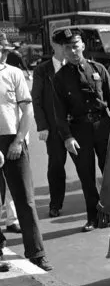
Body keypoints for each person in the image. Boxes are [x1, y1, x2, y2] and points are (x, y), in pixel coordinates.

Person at [52, 28, 110, 232]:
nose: (73, 51)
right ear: (63, 51)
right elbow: (59, 111)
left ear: (82, 46)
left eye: (75, 46)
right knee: (86, 175)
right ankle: (93, 217)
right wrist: (67, 137)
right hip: (79, 130)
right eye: (68, 48)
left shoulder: (98, 68)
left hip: (103, 126)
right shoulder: (60, 78)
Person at [0, 33, 52, 271]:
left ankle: (36, 252)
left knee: (25, 200)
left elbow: (26, 111)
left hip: (14, 140)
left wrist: (18, 141)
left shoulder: (14, 74)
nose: (2, 53)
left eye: (4, 49)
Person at [32, 35, 68, 218]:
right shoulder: (42, 70)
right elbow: (36, 100)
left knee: (85, 167)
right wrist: (42, 126)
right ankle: (55, 203)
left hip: (76, 126)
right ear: (54, 45)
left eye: (68, 45)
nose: (65, 48)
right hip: (54, 128)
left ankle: (93, 205)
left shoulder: (75, 66)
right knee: (56, 166)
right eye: (62, 45)